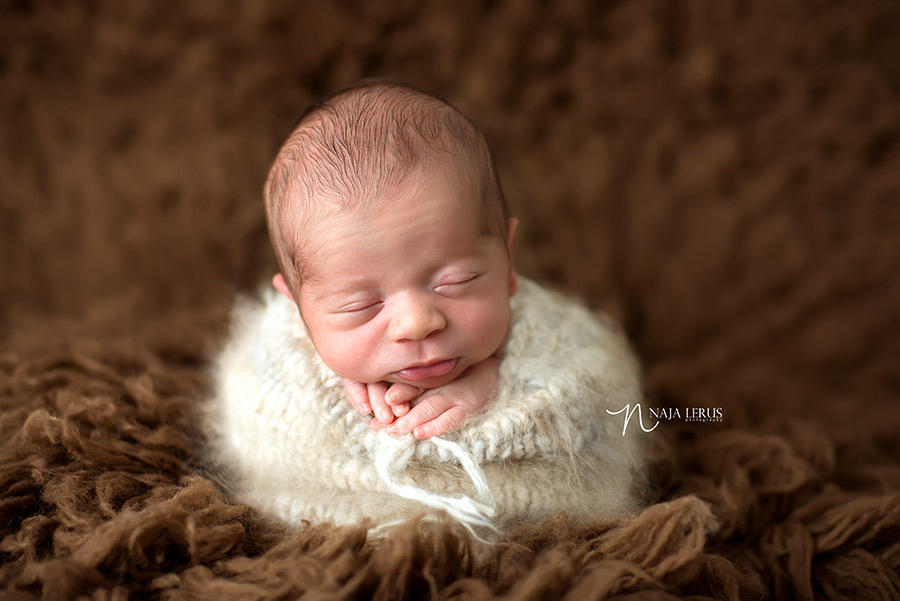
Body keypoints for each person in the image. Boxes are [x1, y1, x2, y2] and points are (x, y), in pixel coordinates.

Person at [206, 81, 646, 533]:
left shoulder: (554, 334)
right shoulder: (284, 360)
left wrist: (499, 388)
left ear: (507, 259)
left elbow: (599, 390)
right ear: (299, 309)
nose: (416, 323)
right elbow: (261, 402)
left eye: (455, 282)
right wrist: (340, 382)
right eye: (360, 307)